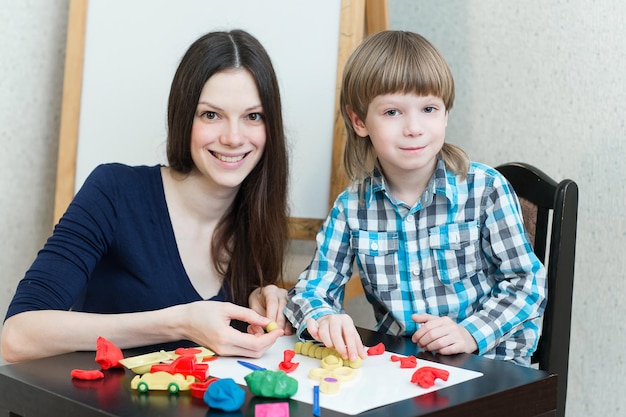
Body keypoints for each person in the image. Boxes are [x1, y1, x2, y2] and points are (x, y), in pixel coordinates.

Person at [1, 29, 292, 362]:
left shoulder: (256, 216)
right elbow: (16, 336)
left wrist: (254, 301)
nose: (233, 137)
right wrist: (178, 323)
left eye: (253, 116)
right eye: (211, 114)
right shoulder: (114, 191)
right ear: (184, 119)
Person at [284, 30, 547, 367]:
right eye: (393, 112)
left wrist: (470, 334)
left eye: (428, 108)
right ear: (359, 121)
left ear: (446, 113)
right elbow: (309, 291)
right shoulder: (352, 208)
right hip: (403, 368)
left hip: (491, 365)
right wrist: (325, 317)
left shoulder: (485, 190)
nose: (414, 128)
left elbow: (527, 283)